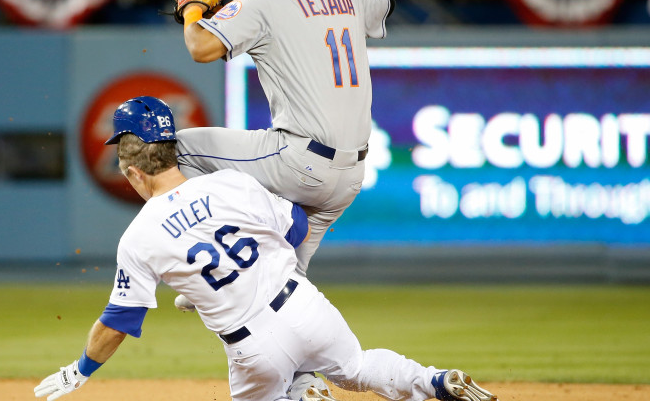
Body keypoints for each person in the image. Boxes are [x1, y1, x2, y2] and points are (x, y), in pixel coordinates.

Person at [34, 96, 498, 401]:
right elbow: (296, 228)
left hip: (251, 346)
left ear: (134, 173)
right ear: (174, 150)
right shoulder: (232, 182)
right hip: (304, 306)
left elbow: (119, 321)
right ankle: (434, 382)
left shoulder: (139, 238)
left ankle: (301, 396)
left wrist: (81, 370)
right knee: (358, 367)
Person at [175, 0, 394, 396]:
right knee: (286, 286)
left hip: (299, 160)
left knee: (173, 148)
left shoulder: (265, 4)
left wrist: (193, 8)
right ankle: (303, 383)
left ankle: (213, 253)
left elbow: (200, 47)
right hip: (349, 178)